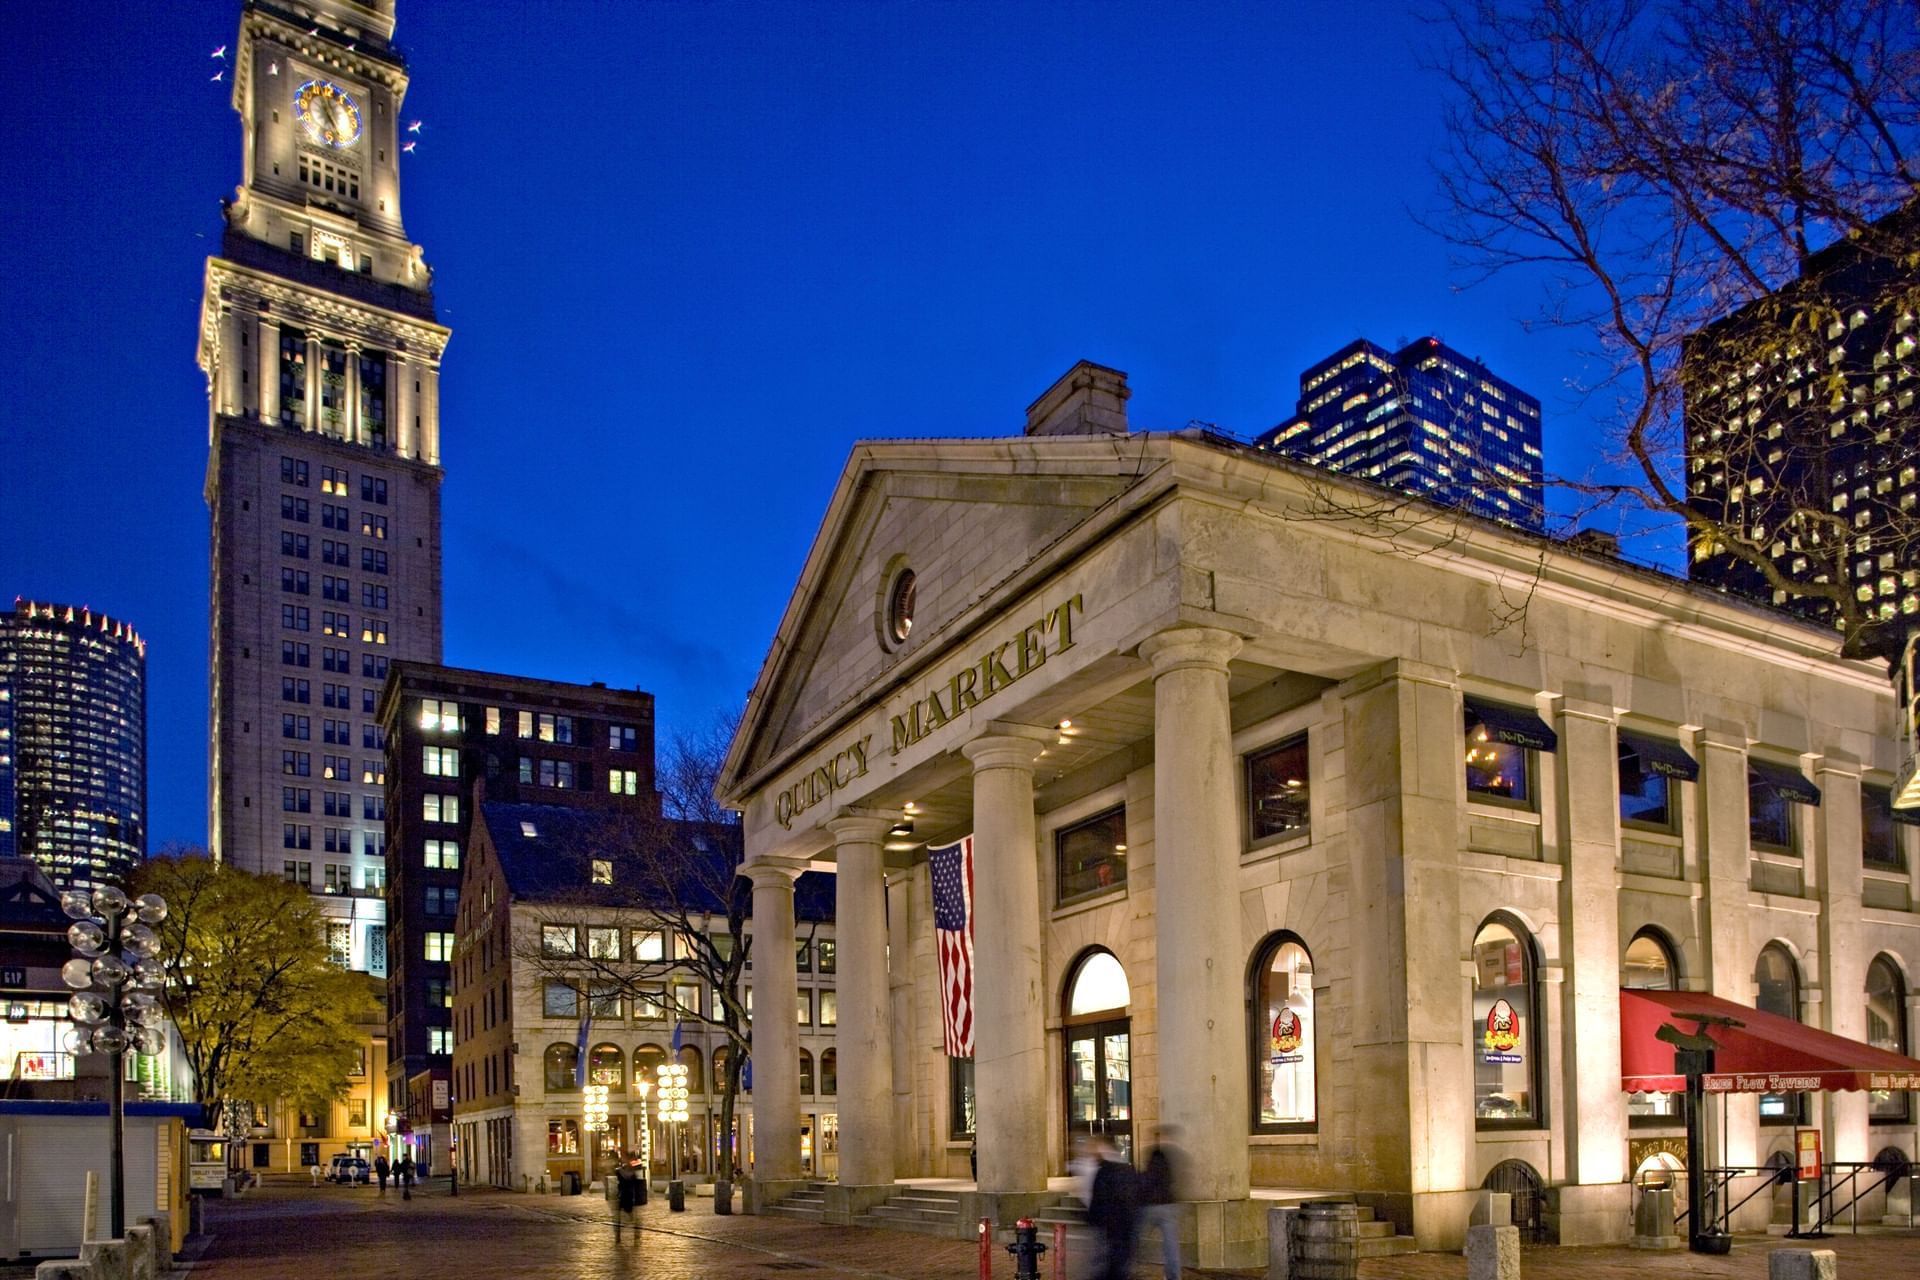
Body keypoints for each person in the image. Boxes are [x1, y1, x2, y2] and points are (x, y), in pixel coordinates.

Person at [1085, 1137, 1139, 1280]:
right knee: (1115, 1258)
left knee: (1113, 1258)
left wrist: (1094, 1217)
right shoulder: (1122, 1168)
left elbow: (1100, 1196)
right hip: (1118, 1221)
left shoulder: (1107, 1170)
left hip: (1114, 1221)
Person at [1138, 1127, 1184, 1279]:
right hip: (1169, 1204)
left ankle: (1127, 1268)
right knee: (1171, 1245)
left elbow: (1148, 1179)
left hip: (1152, 1205)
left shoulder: (1156, 1154)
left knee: (1135, 1237)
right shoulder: (1177, 1154)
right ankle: (1173, 1276)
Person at [614, 1156, 645, 1240]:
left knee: (624, 1214)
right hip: (627, 1195)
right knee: (625, 1215)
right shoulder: (630, 1173)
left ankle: (619, 1234)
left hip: (625, 1195)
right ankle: (621, 1234)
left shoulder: (621, 1172)